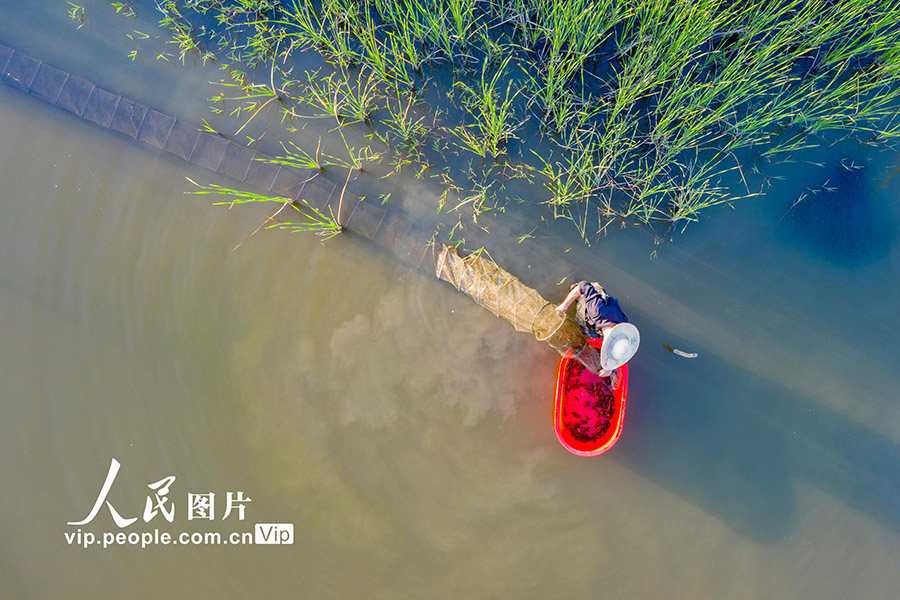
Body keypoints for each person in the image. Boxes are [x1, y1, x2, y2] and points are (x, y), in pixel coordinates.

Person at [555, 281, 639, 380]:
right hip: (588, 299)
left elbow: (617, 350)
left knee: (589, 333)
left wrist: (609, 369)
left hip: (599, 325)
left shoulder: (623, 328)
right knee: (578, 303)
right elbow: (583, 286)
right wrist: (564, 306)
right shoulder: (596, 310)